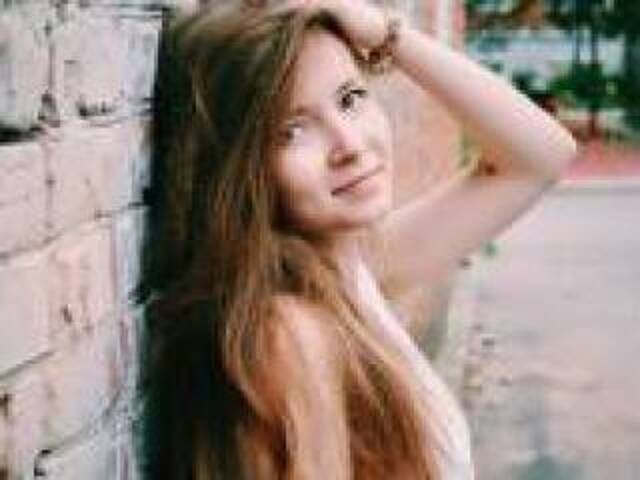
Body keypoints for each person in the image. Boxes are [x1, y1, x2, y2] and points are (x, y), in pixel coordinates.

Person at [135, 1, 577, 479]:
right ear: (233, 165)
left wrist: (387, 35)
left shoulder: (354, 266)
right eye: (291, 130)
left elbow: (540, 158)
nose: (349, 145)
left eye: (349, 99)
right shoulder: (286, 335)